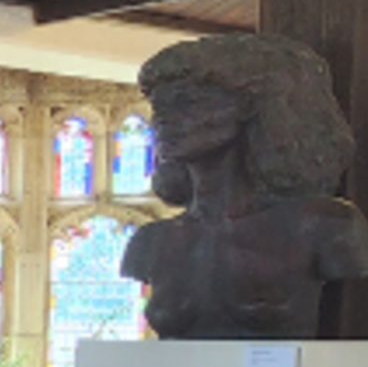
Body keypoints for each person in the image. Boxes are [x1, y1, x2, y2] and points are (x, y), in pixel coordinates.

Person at [121, 34, 368, 339]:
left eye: (187, 103)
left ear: (247, 108)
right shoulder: (151, 242)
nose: (164, 121)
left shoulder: (323, 226)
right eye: (159, 107)